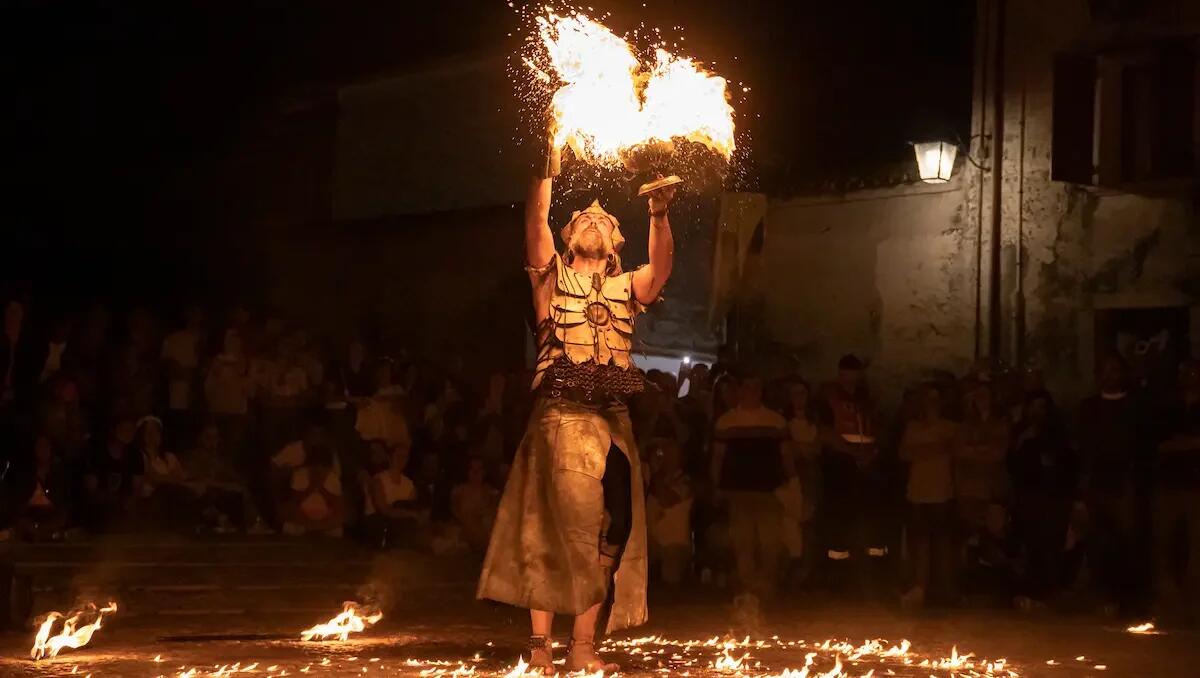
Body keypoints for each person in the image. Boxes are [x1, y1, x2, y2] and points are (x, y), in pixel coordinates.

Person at [478, 134, 675, 674]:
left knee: (613, 524)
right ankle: (543, 649)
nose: (593, 218)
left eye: (605, 220)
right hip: (560, 413)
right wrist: (546, 167)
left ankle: (583, 645)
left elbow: (660, 271)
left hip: (612, 417)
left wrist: (658, 212)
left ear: (615, 243)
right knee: (554, 525)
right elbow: (534, 223)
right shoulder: (551, 280)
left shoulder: (627, 285)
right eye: (582, 218)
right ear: (567, 239)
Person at [1075, 354, 1147, 615]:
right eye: (1106, 370)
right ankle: (1102, 596)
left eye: (1115, 370)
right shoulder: (1088, 408)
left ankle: (1127, 598)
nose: (1111, 375)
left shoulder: (1135, 407)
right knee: (1096, 542)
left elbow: (1140, 447)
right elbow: (1082, 448)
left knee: (1126, 542)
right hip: (1095, 484)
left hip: (1124, 484)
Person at [710, 374, 790, 600]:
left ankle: (767, 586)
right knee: (742, 541)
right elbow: (718, 457)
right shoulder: (726, 422)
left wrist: (792, 483)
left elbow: (786, 455)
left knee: (769, 541)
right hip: (738, 491)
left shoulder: (775, 421)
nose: (751, 393)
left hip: (769, 491)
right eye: (747, 388)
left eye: (756, 388)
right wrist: (716, 485)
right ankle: (747, 587)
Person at [816, 355, 888, 595]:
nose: (854, 375)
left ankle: (870, 578)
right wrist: (851, 452)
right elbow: (825, 431)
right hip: (841, 465)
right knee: (839, 520)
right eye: (850, 370)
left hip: (867, 466)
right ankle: (837, 579)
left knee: (870, 520)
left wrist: (871, 453)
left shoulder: (868, 398)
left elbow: (878, 428)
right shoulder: (828, 396)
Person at [1008, 389, 1075, 604]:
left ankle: (1051, 590)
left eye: (1041, 407)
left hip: (1052, 497)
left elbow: (1066, 464)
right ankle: (1031, 590)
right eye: (1033, 407)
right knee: (1030, 544)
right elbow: (1011, 463)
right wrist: (1021, 442)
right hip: (1027, 496)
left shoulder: (1057, 433)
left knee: (1051, 544)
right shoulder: (1020, 432)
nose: (1036, 412)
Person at [898, 385, 959, 608]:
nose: (931, 404)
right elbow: (904, 453)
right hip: (918, 494)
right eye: (927, 400)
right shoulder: (913, 427)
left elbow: (952, 449)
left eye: (935, 400)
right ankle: (920, 590)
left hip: (942, 493)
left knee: (943, 545)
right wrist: (934, 448)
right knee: (921, 544)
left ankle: (947, 592)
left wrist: (921, 449)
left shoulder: (950, 427)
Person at [1151, 359, 1200, 623]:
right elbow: (1157, 444)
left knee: (1196, 548)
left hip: (1196, 486)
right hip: (1168, 484)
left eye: (1193, 371)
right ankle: (1168, 605)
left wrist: (1182, 443)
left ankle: (1193, 607)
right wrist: (1188, 444)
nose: (1188, 376)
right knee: (1164, 545)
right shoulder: (1169, 407)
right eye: (1183, 371)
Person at [955, 379, 1010, 535]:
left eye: (985, 394)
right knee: (970, 537)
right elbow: (959, 452)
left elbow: (998, 454)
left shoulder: (1001, 424)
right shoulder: (965, 425)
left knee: (993, 536)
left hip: (992, 490)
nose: (981, 398)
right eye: (978, 395)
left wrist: (972, 449)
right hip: (969, 490)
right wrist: (985, 448)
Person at [272, 422, 345, 537]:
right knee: (287, 512)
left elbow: (337, 503)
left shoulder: (332, 476)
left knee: (341, 517)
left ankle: (315, 529)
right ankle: (312, 528)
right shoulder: (300, 474)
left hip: (325, 517)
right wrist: (311, 487)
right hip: (302, 516)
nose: (318, 468)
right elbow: (294, 500)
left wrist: (321, 488)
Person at [783, 377, 820, 586]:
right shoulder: (783, 422)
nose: (799, 398)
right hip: (790, 477)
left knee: (809, 525)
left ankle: (807, 574)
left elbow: (816, 449)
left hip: (811, 478)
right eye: (795, 394)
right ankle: (790, 573)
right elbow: (789, 450)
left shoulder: (814, 421)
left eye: (802, 393)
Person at [80, 415, 143, 533]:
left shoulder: (135, 455)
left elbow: (137, 489)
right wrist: (111, 500)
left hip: (124, 510)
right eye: (123, 428)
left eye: (131, 429)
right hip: (99, 509)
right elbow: (91, 489)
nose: (127, 432)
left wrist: (128, 503)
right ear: (113, 429)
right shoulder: (96, 452)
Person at [645, 439, 693, 589]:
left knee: (670, 589)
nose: (667, 458)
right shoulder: (651, 478)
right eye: (665, 453)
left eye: (672, 454)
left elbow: (666, 499)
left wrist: (655, 472)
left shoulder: (686, 481)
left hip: (674, 543)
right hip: (651, 541)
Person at [0, 435, 69, 541]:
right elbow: (20, 501)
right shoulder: (27, 474)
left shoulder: (57, 473)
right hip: (31, 515)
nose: (42, 450)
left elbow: (60, 499)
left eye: (46, 446)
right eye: (39, 446)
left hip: (51, 515)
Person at [136, 416, 195, 531]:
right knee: (168, 490)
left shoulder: (169, 457)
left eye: (156, 431)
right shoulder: (138, 456)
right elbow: (153, 478)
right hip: (149, 501)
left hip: (172, 499)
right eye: (148, 432)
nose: (153, 435)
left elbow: (181, 478)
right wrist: (172, 479)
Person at [204, 328, 253, 466]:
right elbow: (208, 388)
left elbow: (251, 392)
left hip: (237, 414)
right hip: (217, 412)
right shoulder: (217, 362)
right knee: (215, 449)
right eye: (229, 340)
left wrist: (241, 375)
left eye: (236, 341)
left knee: (233, 450)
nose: (232, 344)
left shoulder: (247, 363)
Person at [361, 441, 423, 547]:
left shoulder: (409, 484)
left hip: (400, 525)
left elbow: (414, 509)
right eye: (398, 456)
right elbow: (383, 510)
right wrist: (409, 514)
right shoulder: (378, 480)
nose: (401, 460)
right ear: (389, 458)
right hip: (378, 525)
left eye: (404, 457)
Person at [161, 306, 204, 445]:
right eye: (192, 312)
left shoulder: (207, 340)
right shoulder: (172, 340)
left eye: (197, 313)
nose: (194, 317)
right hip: (176, 399)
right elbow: (166, 368)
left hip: (201, 401)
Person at [450, 456, 499, 551]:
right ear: (467, 472)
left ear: (484, 472)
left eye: (479, 470)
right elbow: (454, 510)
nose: (476, 473)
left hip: (482, 530)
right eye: (473, 470)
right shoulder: (459, 491)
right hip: (463, 529)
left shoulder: (490, 492)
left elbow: (494, 512)